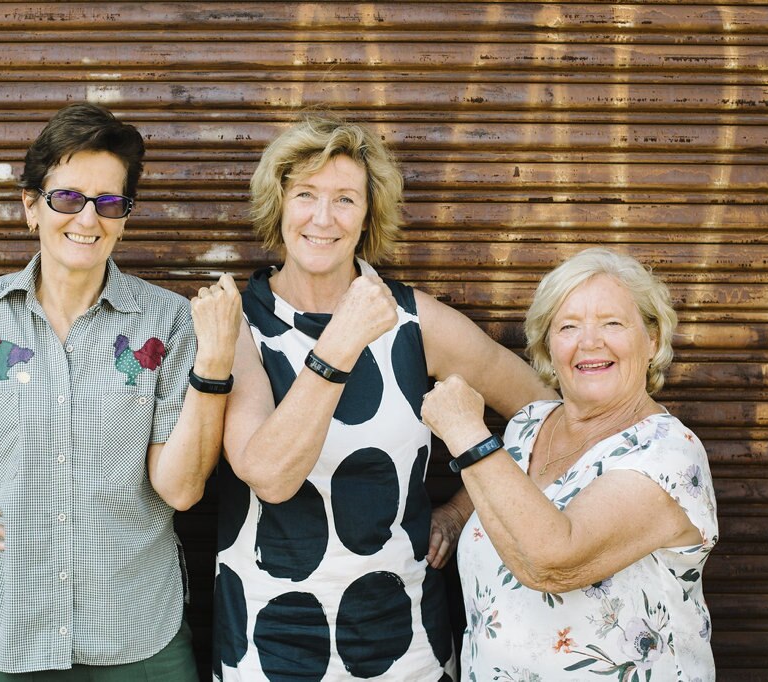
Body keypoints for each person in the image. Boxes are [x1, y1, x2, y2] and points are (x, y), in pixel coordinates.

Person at [0, 102, 241, 678]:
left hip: (138, 637)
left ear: (125, 216)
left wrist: (215, 365)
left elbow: (181, 490)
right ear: (31, 207)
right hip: (8, 633)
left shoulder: (170, 324)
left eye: (109, 202)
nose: (88, 219)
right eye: (67, 198)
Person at [213, 114, 554, 680]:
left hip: (406, 642)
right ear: (279, 205)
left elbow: (542, 414)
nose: (323, 218)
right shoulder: (241, 324)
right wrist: (342, 340)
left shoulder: (415, 322)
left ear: (368, 214)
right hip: (267, 643)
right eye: (306, 195)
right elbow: (270, 475)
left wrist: (460, 510)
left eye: (345, 198)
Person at [421, 247, 718, 680]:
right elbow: (511, 490)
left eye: (612, 323)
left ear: (652, 339)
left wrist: (467, 435)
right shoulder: (529, 426)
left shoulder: (669, 455)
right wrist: (453, 513)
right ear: (547, 346)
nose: (590, 341)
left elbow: (551, 561)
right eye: (568, 326)